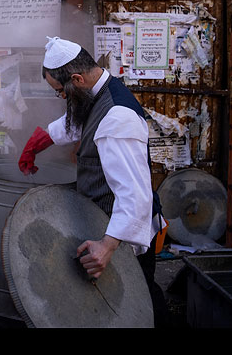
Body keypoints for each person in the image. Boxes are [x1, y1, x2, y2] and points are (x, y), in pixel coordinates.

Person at [18, 36, 168, 327]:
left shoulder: (117, 119)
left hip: (121, 233)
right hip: (105, 222)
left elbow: (135, 196)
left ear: (77, 78)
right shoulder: (98, 89)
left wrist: (107, 246)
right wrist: (39, 141)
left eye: (61, 92)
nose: (61, 98)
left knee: (138, 302)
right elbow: (77, 119)